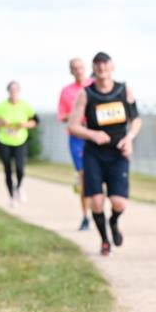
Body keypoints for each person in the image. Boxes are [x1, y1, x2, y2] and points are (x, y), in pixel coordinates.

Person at [68, 52, 142, 256]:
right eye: (97, 64)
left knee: (118, 202)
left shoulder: (123, 89)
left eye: (105, 63)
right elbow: (72, 125)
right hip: (94, 154)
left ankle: (114, 221)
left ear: (112, 66)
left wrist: (130, 138)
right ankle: (104, 240)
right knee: (97, 201)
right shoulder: (86, 94)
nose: (102, 68)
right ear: (93, 68)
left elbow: (136, 119)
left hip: (118, 152)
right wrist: (92, 134)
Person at [58, 58, 94, 231]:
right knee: (84, 177)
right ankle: (86, 217)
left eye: (80, 67)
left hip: (94, 135)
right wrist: (76, 112)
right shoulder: (66, 91)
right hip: (76, 137)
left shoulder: (95, 85)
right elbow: (62, 116)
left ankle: (98, 210)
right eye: (74, 68)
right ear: (71, 71)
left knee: (97, 176)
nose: (78, 70)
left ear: (85, 68)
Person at [0, 82, 37, 207]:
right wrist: (1, 122)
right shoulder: (0, 106)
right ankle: (12, 197)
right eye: (11, 90)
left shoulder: (25, 106)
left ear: (19, 91)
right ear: (8, 91)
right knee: (7, 169)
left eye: (16, 89)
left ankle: (20, 186)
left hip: (20, 140)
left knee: (20, 168)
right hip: (4, 140)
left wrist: (25, 124)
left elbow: (35, 121)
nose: (13, 92)